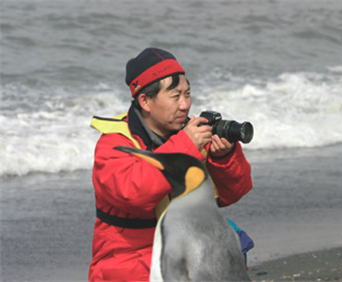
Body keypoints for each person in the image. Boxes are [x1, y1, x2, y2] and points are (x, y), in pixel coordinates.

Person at [88, 47, 253, 281]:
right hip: (128, 256)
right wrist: (185, 146)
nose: (185, 105)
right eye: (175, 96)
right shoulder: (114, 143)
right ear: (145, 101)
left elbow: (233, 193)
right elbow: (132, 194)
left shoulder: (188, 135)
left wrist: (223, 157)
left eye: (187, 94)